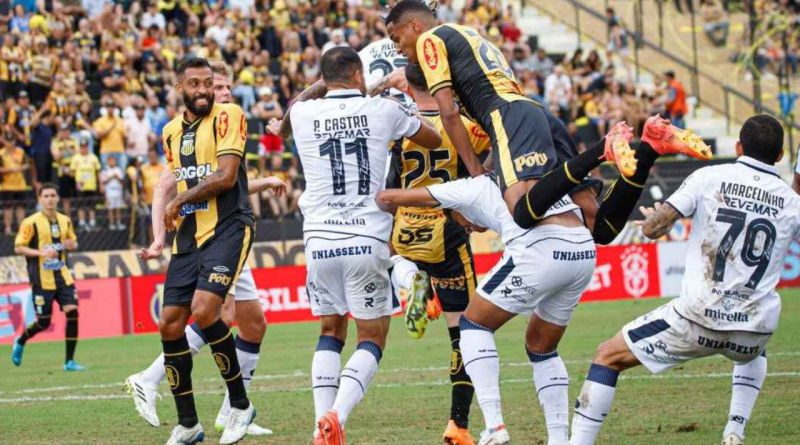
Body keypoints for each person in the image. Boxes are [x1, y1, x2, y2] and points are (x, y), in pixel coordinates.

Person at [384, 0, 711, 247]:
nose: (397, 48)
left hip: (509, 115)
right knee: (600, 227)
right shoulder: (468, 34)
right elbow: (494, 129)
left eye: (396, 38)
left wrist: (475, 172)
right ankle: (651, 145)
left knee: (522, 212)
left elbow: (448, 112)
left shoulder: (430, 40)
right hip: (532, 115)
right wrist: (489, 165)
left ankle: (603, 149)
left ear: (414, 25)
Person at [569, 115, 793, 445]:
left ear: (738, 147)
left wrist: (652, 221)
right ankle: (734, 430)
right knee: (753, 349)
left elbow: (654, 228)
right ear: (780, 155)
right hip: (753, 329)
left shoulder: (709, 177)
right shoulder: (793, 202)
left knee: (607, 356)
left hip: (697, 319)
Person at [280, 46, 441, 445]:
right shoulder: (384, 108)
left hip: (318, 240)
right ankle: (337, 415)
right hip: (367, 237)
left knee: (329, 331)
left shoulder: (302, 114)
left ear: (323, 79)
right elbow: (433, 137)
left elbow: (293, 109)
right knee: (371, 337)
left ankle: (319, 427)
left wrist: (321, 85)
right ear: (358, 75)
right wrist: (400, 100)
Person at [127, 61, 281, 438]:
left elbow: (226, 178)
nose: (203, 90)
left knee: (207, 309)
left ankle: (240, 406)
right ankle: (188, 425)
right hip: (188, 235)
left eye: (208, 83)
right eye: (194, 83)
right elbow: (174, 184)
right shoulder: (170, 132)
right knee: (169, 323)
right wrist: (161, 232)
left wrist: (179, 202)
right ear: (179, 87)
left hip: (228, 227)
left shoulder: (229, 115)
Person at [387, 63, 492, 444]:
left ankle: (411, 281)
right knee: (465, 333)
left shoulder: (398, 126)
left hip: (405, 229)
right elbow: (495, 151)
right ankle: (458, 424)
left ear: (408, 86)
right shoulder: (464, 125)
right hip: (447, 232)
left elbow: (387, 184)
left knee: (396, 258)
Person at [11, 183, 85, 372]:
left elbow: (73, 242)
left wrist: (72, 245)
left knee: (73, 313)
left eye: (53, 195)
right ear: (40, 199)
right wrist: (41, 253)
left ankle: (69, 361)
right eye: (46, 196)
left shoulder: (65, 220)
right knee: (44, 322)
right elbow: (18, 247)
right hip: (41, 279)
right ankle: (21, 340)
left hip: (63, 277)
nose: (50, 199)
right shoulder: (31, 222)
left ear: (58, 198)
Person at [69, 138, 101, 231]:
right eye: (82, 147)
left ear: (88, 147)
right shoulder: (75, 158)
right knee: (81, 205)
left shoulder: (93, 157)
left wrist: (100, 183)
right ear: (80, 147)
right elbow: (72, 172)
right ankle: (82, 223)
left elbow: (98, 171)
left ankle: (92, 223)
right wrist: (77, 179)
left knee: (92, 205)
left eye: (85, 146)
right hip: (80, 186)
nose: (84, 148)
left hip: (91, 185)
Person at [0, 135, 29, 236]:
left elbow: (27, 164)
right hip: (7, 185)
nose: (10, 143)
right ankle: (8, 229)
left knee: (21, 207)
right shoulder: (1, 153)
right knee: (8, 208)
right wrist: (11, 169)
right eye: (8, 141)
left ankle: (21, 228)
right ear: (5, 141)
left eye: (12, 141)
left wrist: (21, 168)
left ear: (15, 141)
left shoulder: (20, 151)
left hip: (20, 184)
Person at [51, 122, 79, 218]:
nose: (65, 133)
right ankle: (68, 217)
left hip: (74, 170)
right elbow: (56, 157)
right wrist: (64, 148)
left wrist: (69, 149)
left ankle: (78, 218)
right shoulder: (55, 142)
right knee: (65, 197)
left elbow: (78, 154)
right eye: (63, 131)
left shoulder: (74, 140)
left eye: (66, 130)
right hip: (62, 170)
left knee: (76, 195)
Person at [92, 99, 127, 170]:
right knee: (106, 173)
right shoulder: (100, 121)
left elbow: (125, 136)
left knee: (121, 172)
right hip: (106, 150)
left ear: (114, 108)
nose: (110, 109)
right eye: (108, 107)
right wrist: (110, 128)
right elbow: (98, 135)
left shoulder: (120, 120)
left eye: (112, 107)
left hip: (119, 150)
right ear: (106, 108)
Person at [100, 155, 125, 230]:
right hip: (109, 192)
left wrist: (116, 176)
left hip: (118, 191)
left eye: (113, 161)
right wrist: (111, 177)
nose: (112, 162)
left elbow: (122, 180)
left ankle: (118, 222)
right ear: (107, 162)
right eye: (110, 161)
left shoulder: (118, 170)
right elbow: (103, 181)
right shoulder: (105, 171)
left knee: (118, 208)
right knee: (110, 208)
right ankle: (111, 223)